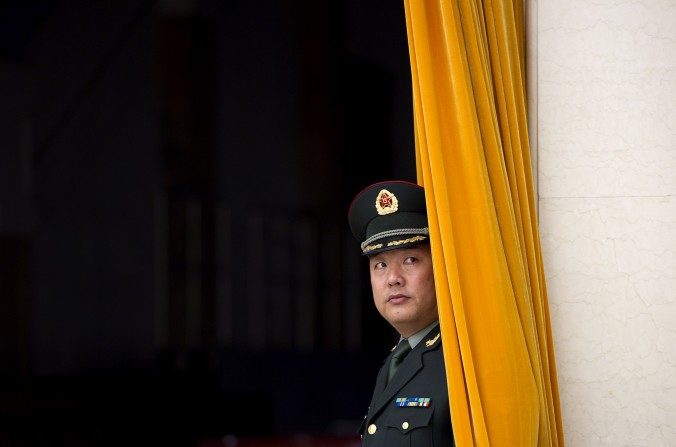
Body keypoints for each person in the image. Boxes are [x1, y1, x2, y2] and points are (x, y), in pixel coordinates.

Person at [348, 180, 454, 446]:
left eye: (410, 260)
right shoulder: (396, 361)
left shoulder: (461, 361)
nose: (393, 278)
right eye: (380, 265)